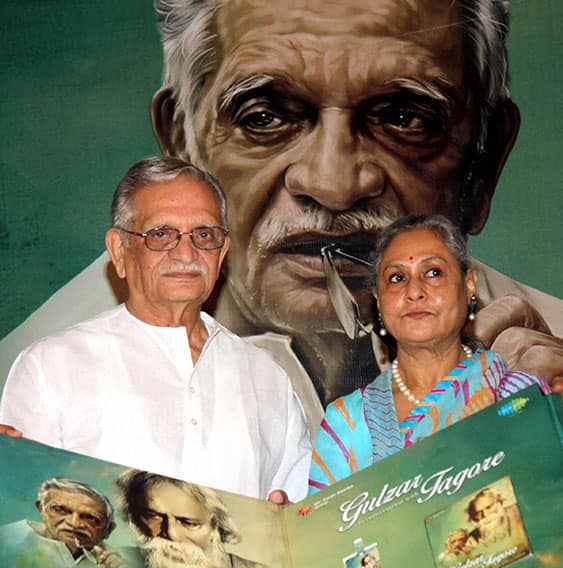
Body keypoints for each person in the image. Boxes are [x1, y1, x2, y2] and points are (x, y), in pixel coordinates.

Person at [1, 0, 561, 432]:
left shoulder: (547, 370)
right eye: (264, 116)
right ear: (181, 146)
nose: (335, 185)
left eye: (403, 117)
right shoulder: (31, 395)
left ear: (484, 163)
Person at [0, 157, 311, 503]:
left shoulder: (267, 379)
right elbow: (20, 514)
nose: (185, 252)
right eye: (161, 234)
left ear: (221, 252)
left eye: (204, 235)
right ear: (120, 250)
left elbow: (297, 518)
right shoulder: (51, 367)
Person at [308, 215, 551, 491]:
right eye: (397, 278)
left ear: (469, 283)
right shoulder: (346, 423)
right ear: (378, 299)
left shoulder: (521, 397)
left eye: (433, 272)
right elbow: (327, 529)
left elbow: (549, 510)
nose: (414, 292)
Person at [115, 469, 282, 568]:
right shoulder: (114, 565)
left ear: (215, 527)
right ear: (135, 518)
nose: (172, 533)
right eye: (154, 517)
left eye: (190, 523)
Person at [0, 478, 122, 568]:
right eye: (59, 510)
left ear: (108, 529)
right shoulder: (6, 541)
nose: (74, 523)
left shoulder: (117, 564)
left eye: (90, 518)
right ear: (41, 509)